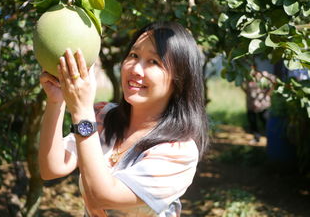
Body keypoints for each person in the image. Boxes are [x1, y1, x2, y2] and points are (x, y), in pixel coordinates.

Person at [38, 21, 209, 216]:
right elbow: (52, 168)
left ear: (179, 79)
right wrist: (56, 101)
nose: (136, 69)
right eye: (134, 55)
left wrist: (81, 110)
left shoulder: (179, 152)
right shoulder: (103, 118)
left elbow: (102, 196)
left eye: (153, 62)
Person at [243, 65, 276, 143]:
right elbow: (242, 85)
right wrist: (246, 92)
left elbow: (274, 81)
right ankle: (256, 137)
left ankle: (270, 139)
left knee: (265, 121)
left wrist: (268, 93)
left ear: (254, 68)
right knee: (252, 122)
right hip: (251, 104)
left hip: (263, 104)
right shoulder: (247, 77)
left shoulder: (264, 75)